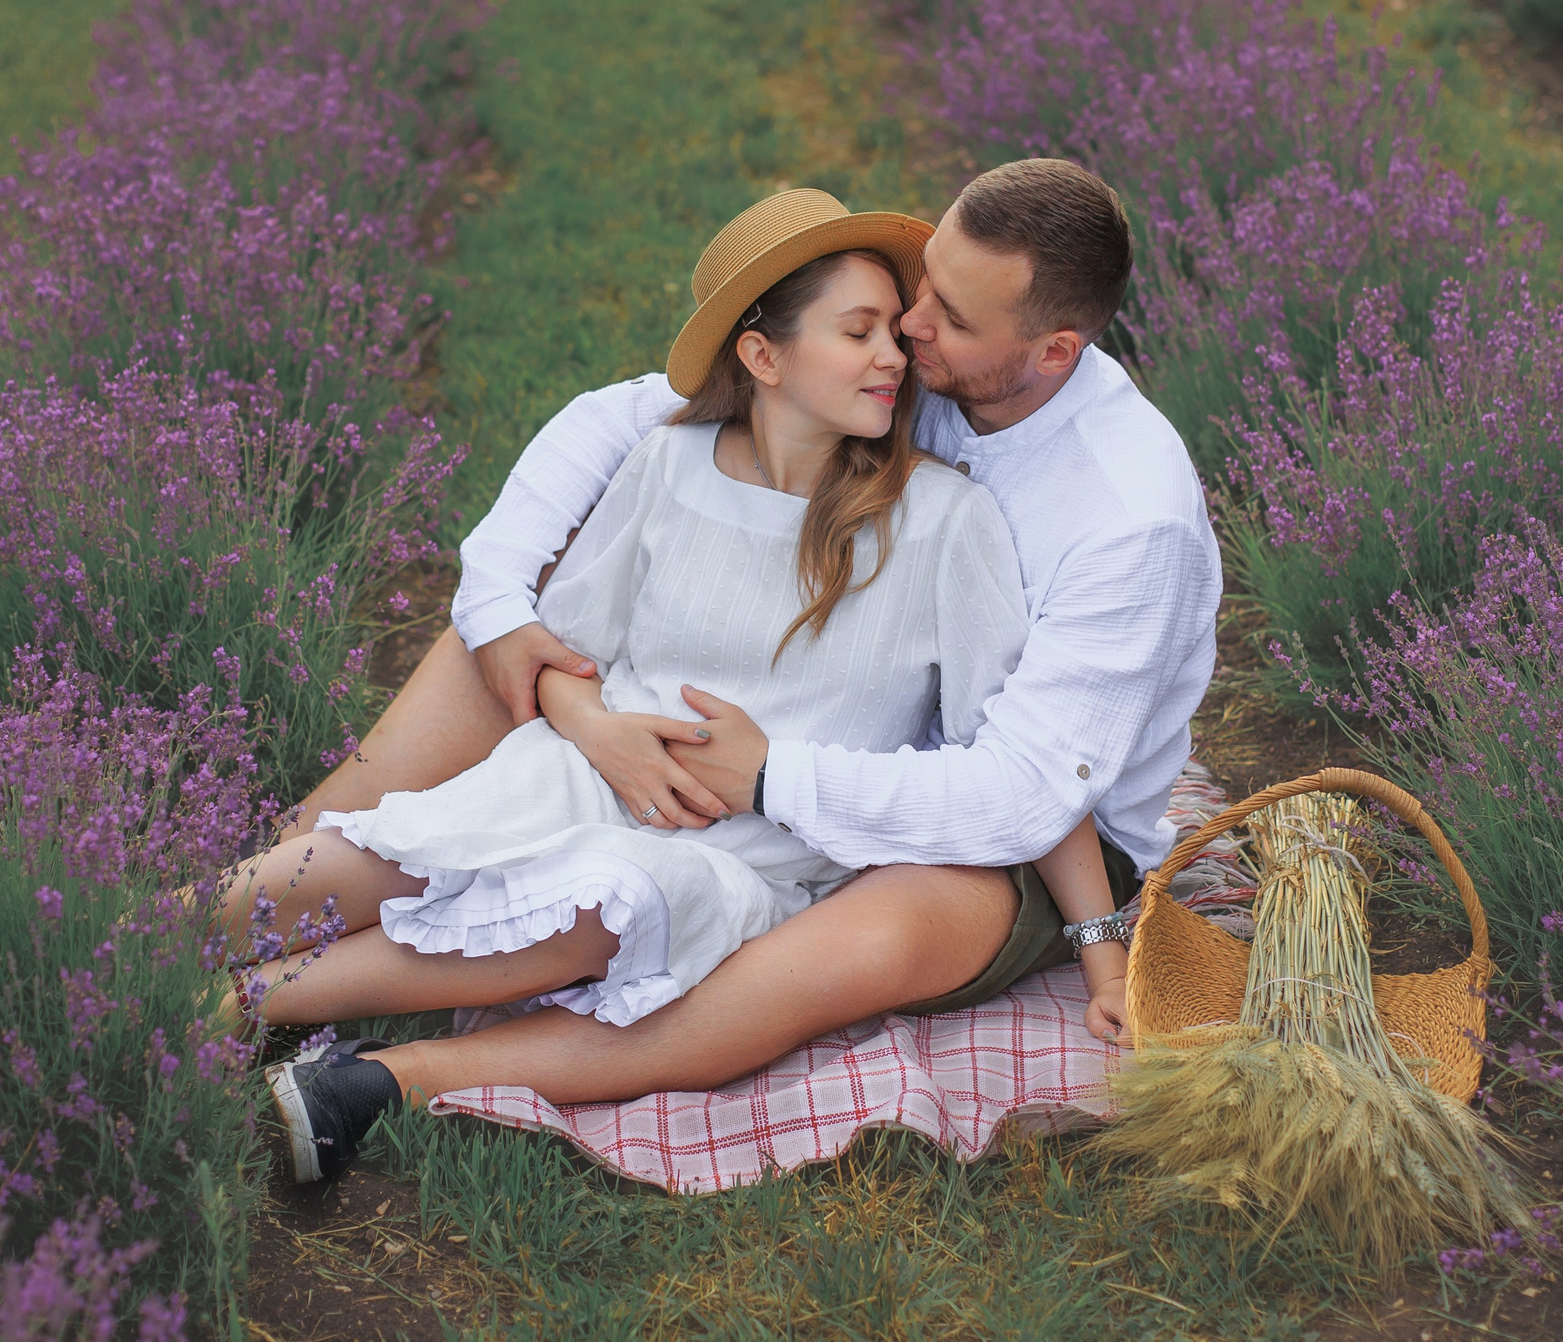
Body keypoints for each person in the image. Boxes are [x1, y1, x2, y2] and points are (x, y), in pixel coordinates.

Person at [256, 158, 1219, 1177]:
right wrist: (504, 611)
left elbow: (1027, 789)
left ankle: (394, 1077)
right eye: (915, 287)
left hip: (1022, 826)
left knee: (847, 941)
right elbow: (637, 415)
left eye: (944, 314)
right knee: (505, 642)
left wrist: (766, 775)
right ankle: (284, 874)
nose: (910, 326)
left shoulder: (1126, 523)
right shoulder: (923, 370)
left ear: (1051, 352)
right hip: (787, 748)